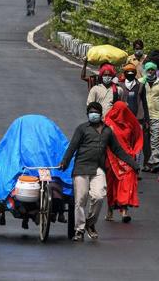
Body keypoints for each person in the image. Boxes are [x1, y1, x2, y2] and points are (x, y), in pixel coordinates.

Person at [58, 102, 138, 241]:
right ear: (87, 114)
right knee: (80, 201)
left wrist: (133, 164)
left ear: (101, 114)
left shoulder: (107, 131)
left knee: (99, 196)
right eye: (90, 112)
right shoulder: (82, 129)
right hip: (81, 168)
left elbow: (118, 150)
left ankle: (90, 223)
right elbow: (72, 147)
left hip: (98, 169)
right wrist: (65, 161)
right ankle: (79, 230)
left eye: (95, 112)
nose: (93, 114)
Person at [104, 101, 143, 223]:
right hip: (111, 159)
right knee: (111, 187)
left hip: (127, 159)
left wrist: (135, 151)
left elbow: (137, 136)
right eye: (118, 110)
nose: (121, 113)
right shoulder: (107, 123)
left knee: (126, 184)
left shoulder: (130, 124)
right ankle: (110, 211)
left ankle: (124, 211)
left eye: (123, 110)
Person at [141, 61, 159, 173]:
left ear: (155, 70)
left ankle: (154, 161)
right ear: (145, 71)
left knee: (155, 139)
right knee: (145, 141)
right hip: (144, 116)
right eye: (148, 70)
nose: (150, 72)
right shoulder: (141, 83)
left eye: (152, 69)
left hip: (157, 115)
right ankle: (146, 162)